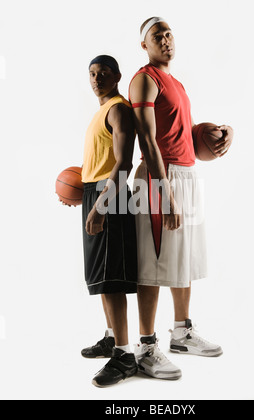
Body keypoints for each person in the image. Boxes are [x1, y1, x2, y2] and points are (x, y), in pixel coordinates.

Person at [129, 17, 234, 380]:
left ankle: (182, 332)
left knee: (182, 258)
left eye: (169, 33)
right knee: (153, 262)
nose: (166, 39)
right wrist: (164, 191)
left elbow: (185, 136)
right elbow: (147, 138)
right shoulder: (145, 79)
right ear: (145, 45)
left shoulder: (177, 83)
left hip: (185, 174)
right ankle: (145, 346)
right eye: (158, 35)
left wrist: (223, 133)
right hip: (161, 178)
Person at [80, 55, 138, 387]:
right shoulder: (100, 112)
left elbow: (123, 164)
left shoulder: (118, 109)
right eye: (92, 73)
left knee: (112, 278)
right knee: (101, 277)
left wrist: (101, 205)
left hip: (110, 195)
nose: (96, 78)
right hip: (95, 191)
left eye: (103, 73)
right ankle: (111, 337)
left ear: (116, 76)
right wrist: (83, 192)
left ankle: (125, 355)